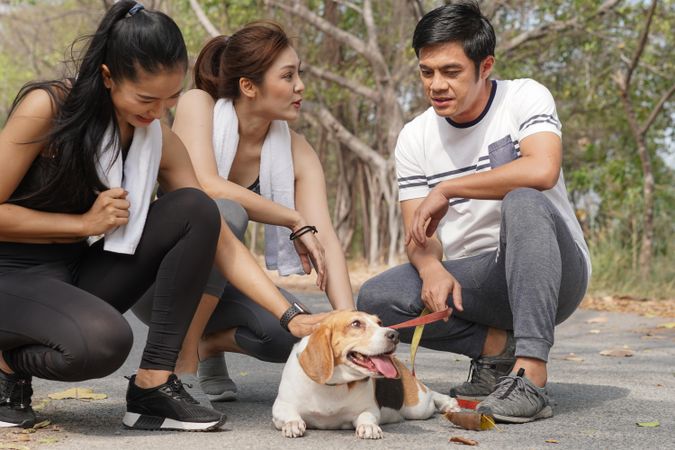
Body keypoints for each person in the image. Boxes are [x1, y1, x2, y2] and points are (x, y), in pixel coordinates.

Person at [0, 1, 323, 431]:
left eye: (169, 99)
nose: (157, 112)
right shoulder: (48, 108)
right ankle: (6, 366)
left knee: (197, 209)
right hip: (10, 274)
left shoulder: (153, 136)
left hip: (71, 271)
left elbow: (220, 237)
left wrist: (289, 315)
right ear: (108, 77)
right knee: (105, 343)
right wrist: (82, 225)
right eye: (146, 98)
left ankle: (153, 385)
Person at [357, 1, 591, 424]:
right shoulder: (415, 136)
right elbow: (419, 232)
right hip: (479, 282)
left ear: (485, 66)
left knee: (523, 199)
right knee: (378, 299)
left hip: (554, 271)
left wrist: (448, 187)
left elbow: (542, 169)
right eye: (427, 72)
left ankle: (531, 374)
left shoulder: (524, 96)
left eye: (451, 72)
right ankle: (497, 353)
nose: (436, 85)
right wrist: (431, 268)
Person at [136, 20, 355, 402]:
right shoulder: (197, 103)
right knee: (223, 212)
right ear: (249, 87)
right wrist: (291, 218)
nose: (300, 86)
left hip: (220, 279)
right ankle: (182, 362)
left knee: (293, 335)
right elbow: (203, 184)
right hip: (154, 278)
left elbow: (327, 242)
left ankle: (208, 345)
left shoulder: (296, 149)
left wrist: (353, 326)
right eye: (288, 76)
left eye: (299, 73)